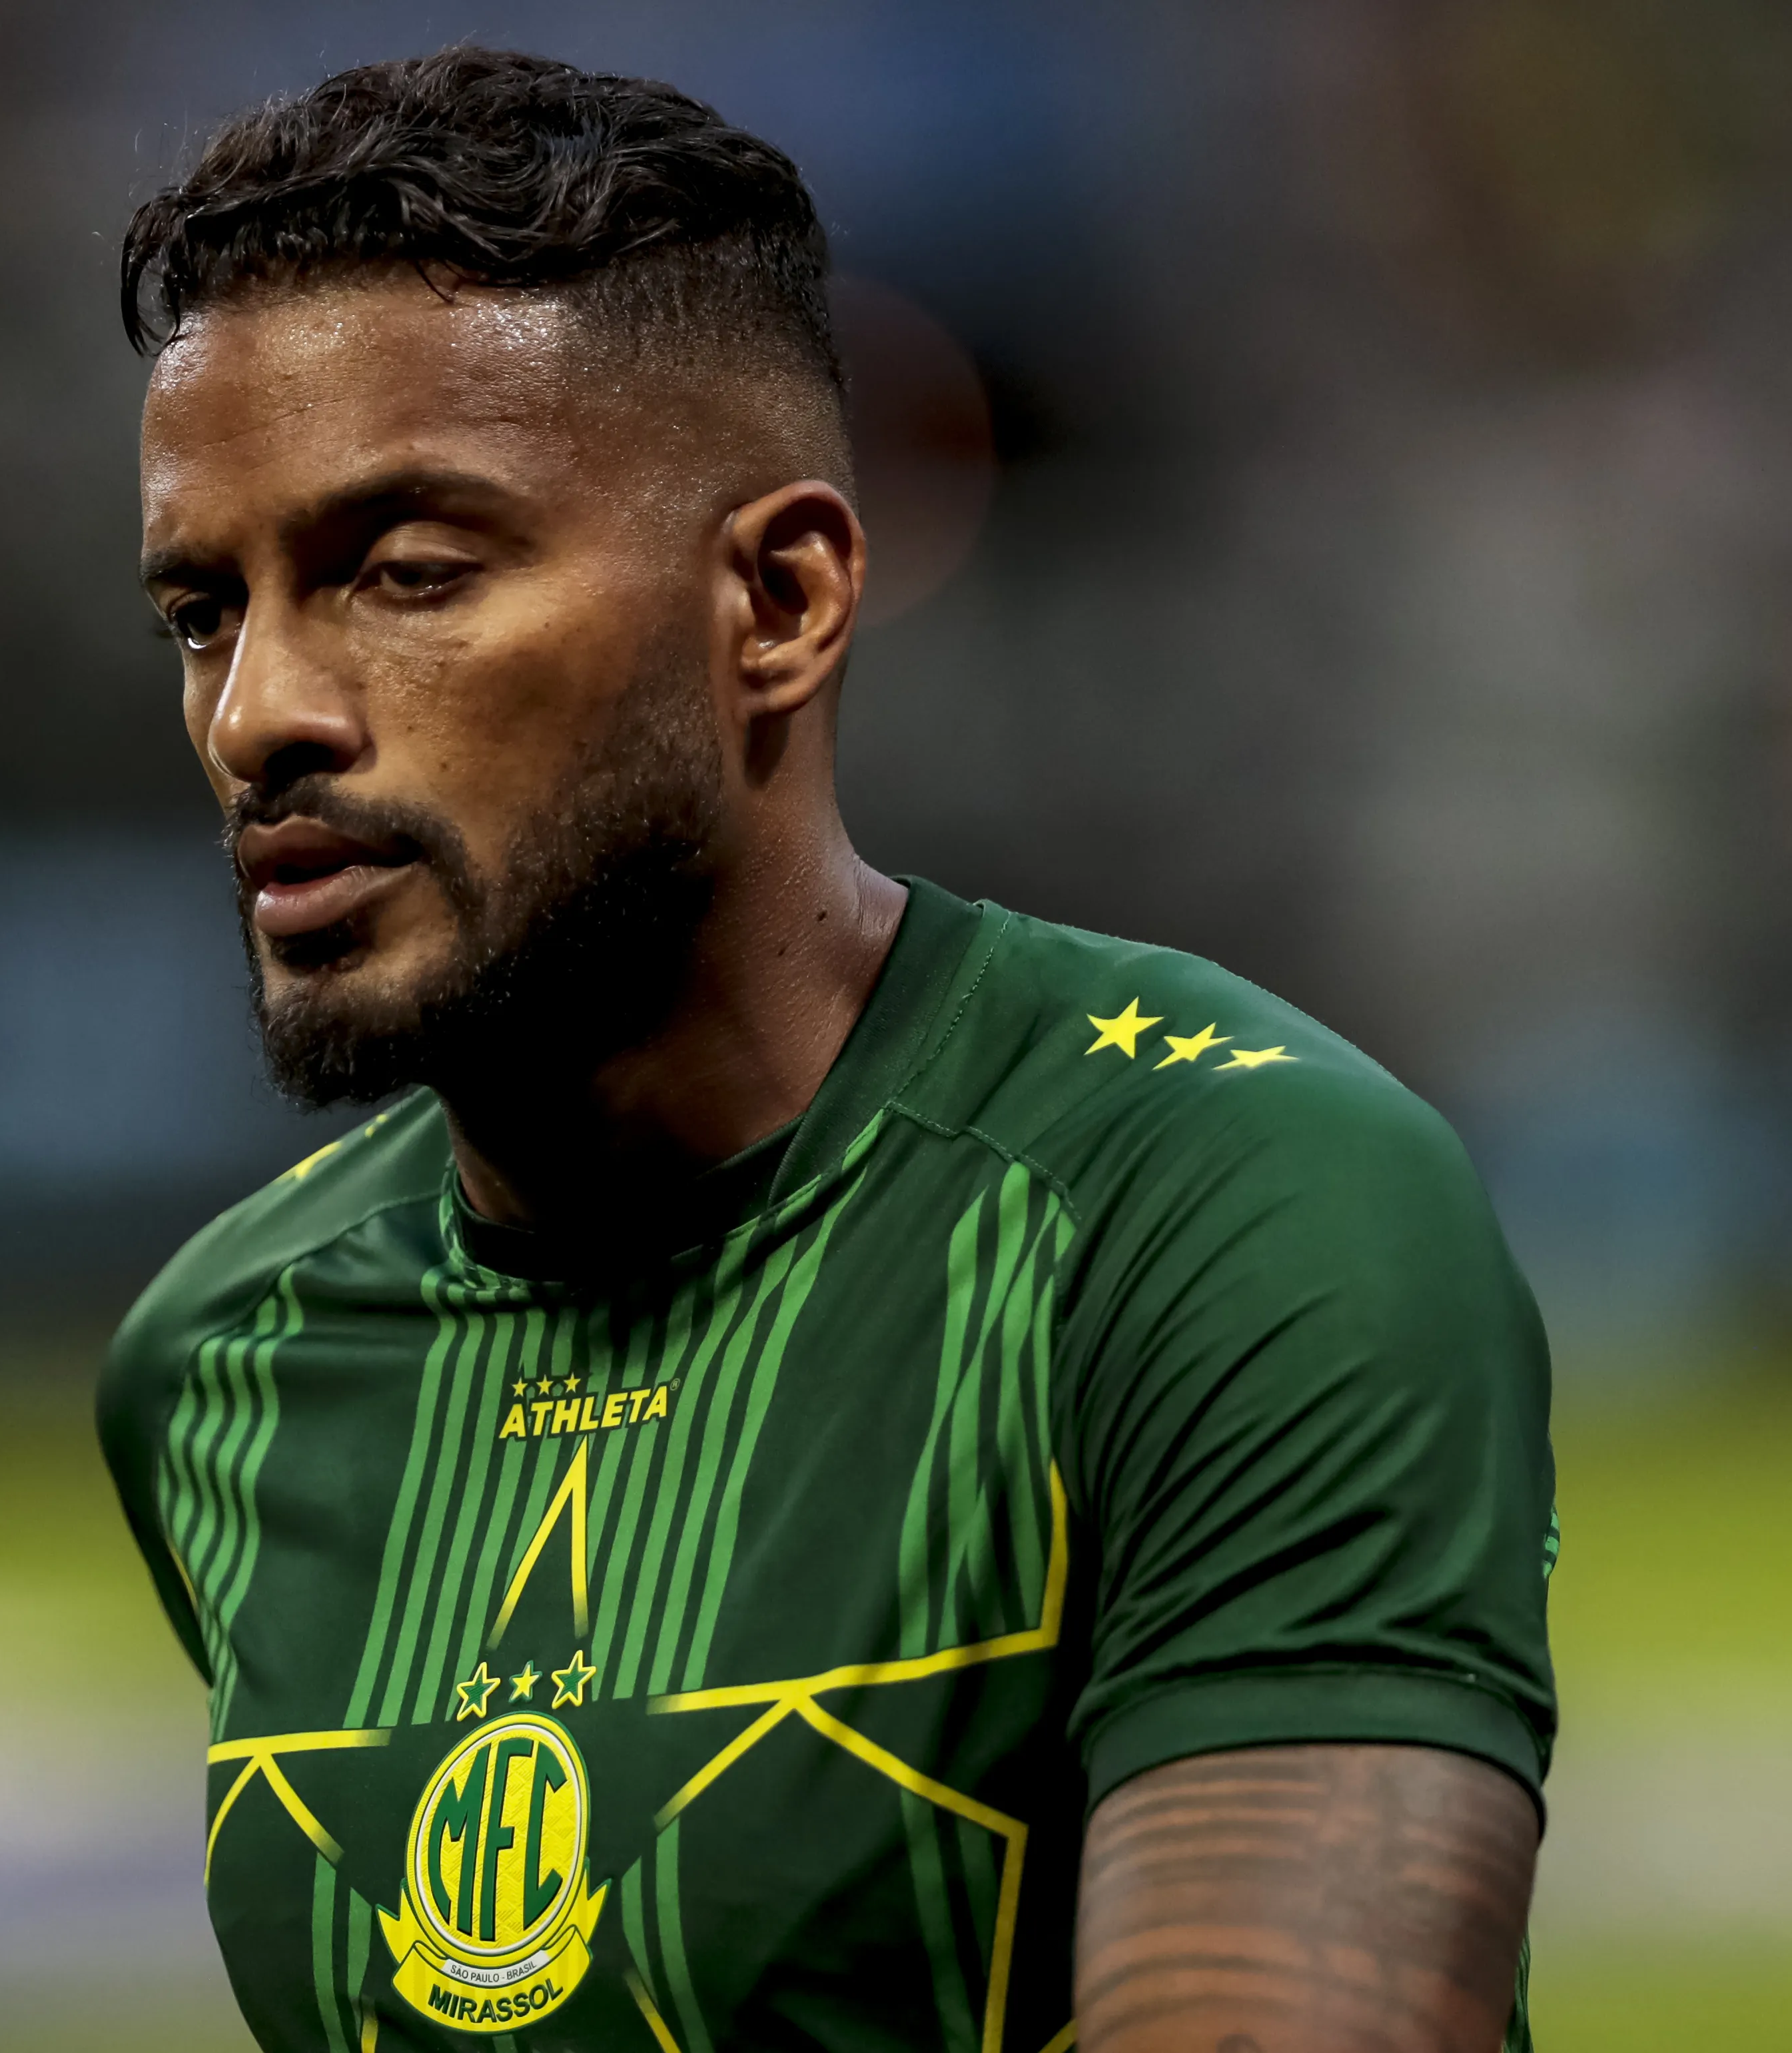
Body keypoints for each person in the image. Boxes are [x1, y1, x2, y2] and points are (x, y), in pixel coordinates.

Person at [96, 49, 1554, 2053]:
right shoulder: (220, 1363)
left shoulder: (1215, 1214)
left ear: (776, 599)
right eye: (203, 607)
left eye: (406, 575)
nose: (259, 712)